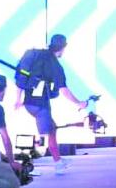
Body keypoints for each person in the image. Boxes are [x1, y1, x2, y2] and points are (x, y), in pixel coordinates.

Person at [17, 34, 88, 175]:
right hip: (40, 105)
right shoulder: (55, 65)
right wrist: (79, 103)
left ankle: (58, 159)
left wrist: (17, 99)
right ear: (62, 48)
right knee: (49, 131)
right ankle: (58, 164)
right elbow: (63, 90)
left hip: (30, 103)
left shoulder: (36, 55)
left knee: (52, 128)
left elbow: (21, 77)